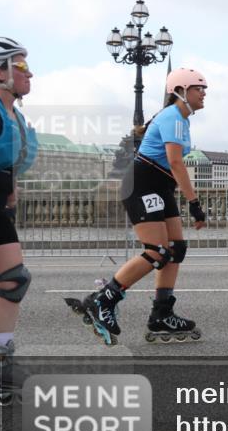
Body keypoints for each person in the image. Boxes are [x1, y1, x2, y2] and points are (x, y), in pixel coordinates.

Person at [66, 68, 209, 345]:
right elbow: (176, 162)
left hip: (160, 185)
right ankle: (104, 301)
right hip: (143, 184)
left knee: (176, 249)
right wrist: (194, 203)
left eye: (205, 89)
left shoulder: (181, 119)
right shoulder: (173, 117)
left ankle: (161, 314)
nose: (204, 93)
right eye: (198, 88)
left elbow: (172, 166)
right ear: (181, 91)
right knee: (156, 251)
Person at [0, 37, 38, 406]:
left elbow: (6, 161)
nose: (29, 73)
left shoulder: (12, 114)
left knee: (13, 281)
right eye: (20, 66)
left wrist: (11, 194)